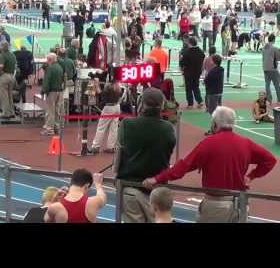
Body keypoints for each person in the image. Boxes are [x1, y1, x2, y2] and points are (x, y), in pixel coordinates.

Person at [143, 106, 277, 223]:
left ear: (214, 124)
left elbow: (182, 167)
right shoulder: (246, 143)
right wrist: (251, 176)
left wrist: (157, 178)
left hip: (215, 206)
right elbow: (270, 160)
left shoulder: (209, 144)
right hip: (239, 204)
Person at [114, 87, 176, 223]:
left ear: (142, 103)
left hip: (130, 187)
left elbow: (119, 153)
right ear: (162, 106)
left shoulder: (127, 124)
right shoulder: (168, 129)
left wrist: (116, 176)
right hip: (157, 191)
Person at [89, 82, 122, 154]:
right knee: (114, 128)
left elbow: (101, 95)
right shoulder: (117, 85)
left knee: (101, 127)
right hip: (117, 106)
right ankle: (111, 147)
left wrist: (97, 84)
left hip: (109, 108)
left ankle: (95, 146)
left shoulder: (109, 86)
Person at [40, 53, 64, 136]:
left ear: (50, 60)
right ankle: (57, 128)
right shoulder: (60, 67)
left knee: (50, 111)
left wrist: (43, 91)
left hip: (51, 92)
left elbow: (47, 81)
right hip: (60, 91)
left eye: (47, 59)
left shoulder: (50, 68)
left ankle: (49, 129)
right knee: (57, 111)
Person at [180, 37, 205, 109]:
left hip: (188, 73)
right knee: (196, 87)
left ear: (189, 43)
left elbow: (182, 62)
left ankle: (190, 104)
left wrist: (182, 67)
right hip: (197, 72)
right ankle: (200, 101)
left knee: (188, 88)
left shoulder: (187, 52)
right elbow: (203, 58)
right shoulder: (200, 51)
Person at [204, 55, 224, 134]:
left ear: (214, 62)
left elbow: (208, 80)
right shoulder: (220, 70)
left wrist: (205, 81)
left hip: (213, 93)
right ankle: (217, 128)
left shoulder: (213, 71)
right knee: (217, 111)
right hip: (219, 92)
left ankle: (214, 129)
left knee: (213, 112)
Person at [0, 41, 17, 119]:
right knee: (10, 95)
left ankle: (6, 113)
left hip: (5, 76)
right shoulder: (13, 55)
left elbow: (1, 66)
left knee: (4, 95)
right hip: (12, 76)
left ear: (2, 47)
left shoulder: (3, 55)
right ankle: (12, 112)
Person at [262, 34, 280, 105]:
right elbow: (278, 58)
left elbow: (263, 58)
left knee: (267, 85)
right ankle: (279, 99)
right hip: (273, 69)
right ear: (273, 40)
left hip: (265, 68)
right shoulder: (274, 48)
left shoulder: (264, 48)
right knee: (277, 85)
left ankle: (269, 100)